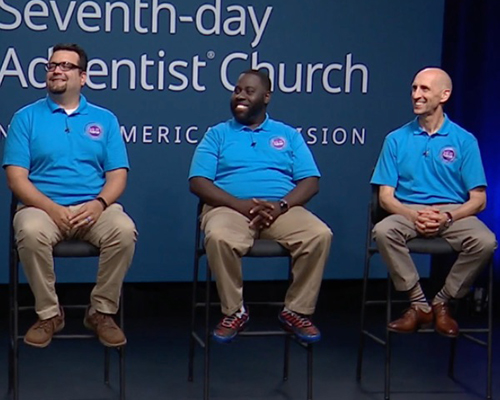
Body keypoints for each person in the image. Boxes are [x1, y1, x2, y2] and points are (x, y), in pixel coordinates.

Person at [3, 43, 137, 348]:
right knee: (29, 229)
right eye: (51, 66)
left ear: (83, 76)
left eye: (65, 66)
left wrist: (99, 203)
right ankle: (50, 313)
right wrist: (51, 208)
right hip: (42, 207)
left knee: (124, 230)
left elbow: (118, 175)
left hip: (93, 208)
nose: (56, 71)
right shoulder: (26, 118)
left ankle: (101, 311)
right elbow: (16, 178)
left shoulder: (105, 120)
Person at [188, 69, 332, 344]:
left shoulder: (287, 135)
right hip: (229, 208)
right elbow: (197, 182)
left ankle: (296, 311)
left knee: (319, 234)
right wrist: (239, 205)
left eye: (248, 91)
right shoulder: (217, 135)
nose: (240, 95)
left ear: (266, 97)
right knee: (218, 237)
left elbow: (311, 182)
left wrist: (280, 205)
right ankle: (234, 311)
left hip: (280, 209)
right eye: (237, 90)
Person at [371, 67, 496, 337]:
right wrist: (413, 216)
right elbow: (385, 197)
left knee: (485, 241)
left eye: (424, 89)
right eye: (414, 88)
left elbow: (479, 200)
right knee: (383, 231)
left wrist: (447, 218)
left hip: (452, 213)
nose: (416, 95)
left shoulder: (464, 140)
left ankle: (442, 301)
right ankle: (419, 304)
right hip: (407, 210)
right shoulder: (395, 139)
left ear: (444, 95)